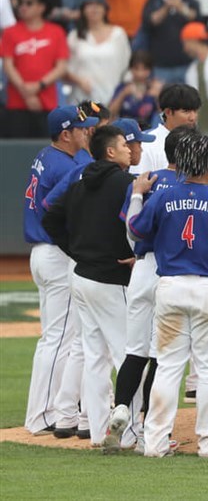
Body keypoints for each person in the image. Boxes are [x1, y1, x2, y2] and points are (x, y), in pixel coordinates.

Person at [125, 131, 208, 458]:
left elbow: (135, 229)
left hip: (170, 287)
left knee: (169, 366)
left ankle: (155, 444)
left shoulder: (162, 197)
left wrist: (136, 197)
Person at [41, 125, 137, 450]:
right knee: (129, 354)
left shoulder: (80, 178)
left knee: (95, 357)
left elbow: (50, 217)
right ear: (110, 151)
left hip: (81, 275)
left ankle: (98, 433)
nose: (129, 148)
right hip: (111, 278)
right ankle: (131, 435)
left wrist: (75, 250)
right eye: (125, 144)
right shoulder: (125, 182)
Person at [22, 105, 97, 435]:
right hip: (55, 254)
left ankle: (45, 409)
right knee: (60, 338)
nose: (87, 132)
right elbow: (54, 208)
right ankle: (42, 414)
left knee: (53, 337)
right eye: (82, 129)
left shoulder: (47, 155)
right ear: (66, 134)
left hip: (42, 254)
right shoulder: (62, 165)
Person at [106, 122, 178, 454]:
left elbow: (131, 230)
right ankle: (151, 430)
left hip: (141, 269)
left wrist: (137, 193)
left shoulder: (144, 182)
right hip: (170, 272)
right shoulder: (188, 185)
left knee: (135, 352)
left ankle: (121, 408)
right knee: (162, 357)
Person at [1, 0, 69, 138]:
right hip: (16, 102)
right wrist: (26, 92)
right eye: (20, 3)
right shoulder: (10, 32)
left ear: (41, 7)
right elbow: (8, 65)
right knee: (15, 150)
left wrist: (39, 86)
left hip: (47, 102)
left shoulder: (56, 32)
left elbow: (61, 66)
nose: (23, 7)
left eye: (29, 3)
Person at [139, 0, 200, 85]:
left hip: (187, 64)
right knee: (162, 103)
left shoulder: (191, 0)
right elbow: (150, 22)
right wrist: (166, 7)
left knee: (188, 103)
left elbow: (197, 20)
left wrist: (181, 7)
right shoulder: (153, 1)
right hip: (160, 67)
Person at [65, 0, 131, 106]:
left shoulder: (118, 34)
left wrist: (121, 95)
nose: (94, 9)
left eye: (98, 5)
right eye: (89, 5)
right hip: (82, 99)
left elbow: (126, 66)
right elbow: (65, 68)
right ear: (83, 10)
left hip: (113, 99)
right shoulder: (74, 36)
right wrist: (79, 81)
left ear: (105, 9)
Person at [131, 84, 201, 175]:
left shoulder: (200, 143)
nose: (193, 117)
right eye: (186, 111)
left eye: (195, 111)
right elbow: (137, 184)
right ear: (168, 112)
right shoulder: (147, 143)